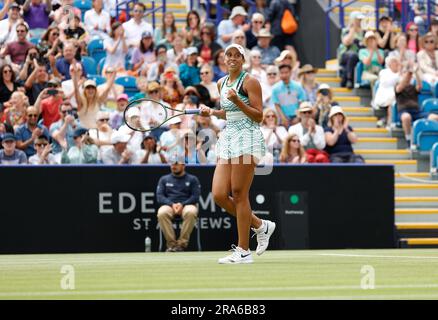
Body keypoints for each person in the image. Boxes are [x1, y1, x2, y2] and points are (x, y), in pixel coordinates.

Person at [199, 44, 276, 264]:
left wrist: (237, 101)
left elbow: (258, 116)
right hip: (229, 137)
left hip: (248, 137)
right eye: (228, 55)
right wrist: (212, 112)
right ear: (224, 59)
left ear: (243, 59)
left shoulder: (250, 81)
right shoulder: (221, 82)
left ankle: (243, 251)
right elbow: (228, 113)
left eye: (236, 55)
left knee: (239, 193)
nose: (232, 58)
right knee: (219, 194)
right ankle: (261, 225)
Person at [156, 157, 201, 252]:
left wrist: (182, 204)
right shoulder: (164, 179)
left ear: (183, 165)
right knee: (162, 212)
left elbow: (195, 197)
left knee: (191, 211)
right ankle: (171, 245)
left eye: (176, 164)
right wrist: (172, 204)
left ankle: (181, 244)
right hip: (169, 206)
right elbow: (160, 196)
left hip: (187, 205)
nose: (173, 166)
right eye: (172, 164)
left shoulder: (192, 179)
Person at [395, 63, 427, 146]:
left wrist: (416, 72)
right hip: (404, 111)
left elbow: (419, 86)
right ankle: (409, 140)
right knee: (406, 117)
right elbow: (401, 85)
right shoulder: (397, 86)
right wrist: (409, 71)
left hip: (417, 112)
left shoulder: (413, 87)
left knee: (434, 117)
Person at [338, 11, 365, 88]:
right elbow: (346, 42)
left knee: (354, 56)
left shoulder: (363, 32)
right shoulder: (346, 30)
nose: (359, 21)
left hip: (359, 55)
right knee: (352, 56)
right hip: (346, 55)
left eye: (360, 20)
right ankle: (349, 79)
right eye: (357, 19)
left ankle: (345, 78)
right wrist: (352, 29)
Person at [373, 56, 401, 128]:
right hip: (384, 94)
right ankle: (389, 122)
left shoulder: (401, 73)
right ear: (389, 64)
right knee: (392, 100)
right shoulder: (384, 72)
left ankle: (387, 121)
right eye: (394, 62)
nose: (396, 63)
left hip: (399, 94)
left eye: (397, 61)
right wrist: (399, 74)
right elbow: (387, 83)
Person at [359, 31, 385, 96]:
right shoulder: (362, 51)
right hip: (367, 72)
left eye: (373, 39)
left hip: (379, 72)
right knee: (375, 79)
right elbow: (366, 63)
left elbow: (381, 62)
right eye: (369, 39)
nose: (371, 41)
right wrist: (372, 52)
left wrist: (376, 50)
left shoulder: (381, 51)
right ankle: (375, 101)